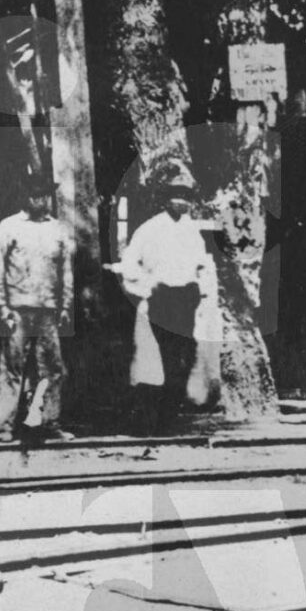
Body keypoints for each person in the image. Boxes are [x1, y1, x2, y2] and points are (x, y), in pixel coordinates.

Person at [117, 171, 217, 433]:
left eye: (185, 198)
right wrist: (148, 285)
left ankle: (170, 418)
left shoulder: (191, 230)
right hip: (161, 299)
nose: (181, 203)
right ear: (165, 201)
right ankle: (150, 419)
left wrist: (201, 291)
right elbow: (129, 263)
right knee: (158, 360)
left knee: (182, 358)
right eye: (175, 198)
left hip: (186, 300)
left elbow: (203, 264)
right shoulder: (150, 229)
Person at [0, 184, 72, 447]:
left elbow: (66, 270)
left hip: (48, 310)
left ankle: (51, 424)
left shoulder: (57, 228)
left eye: (46, 194)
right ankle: (4, 427)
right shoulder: (9, 227)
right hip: (18, 310)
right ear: (26, 197)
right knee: (13, 368)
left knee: (53, 369)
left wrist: (65, 305)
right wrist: (3, 307)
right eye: (37, 194)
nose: (42, 200)